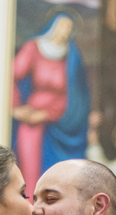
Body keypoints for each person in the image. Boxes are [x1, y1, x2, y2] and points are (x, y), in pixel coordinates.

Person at [12, 13, 91, 199]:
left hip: (62, 124)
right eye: (62, 26)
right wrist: (16, 109)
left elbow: (77, 94)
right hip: (32, 121)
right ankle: (31, 210)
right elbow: (10, 76)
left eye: (70, 28)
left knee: (61, 176)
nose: (65, 31)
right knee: (30, 172)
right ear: (52, 26)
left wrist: (49, 114)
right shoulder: (34, 48)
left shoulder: (72, 56)